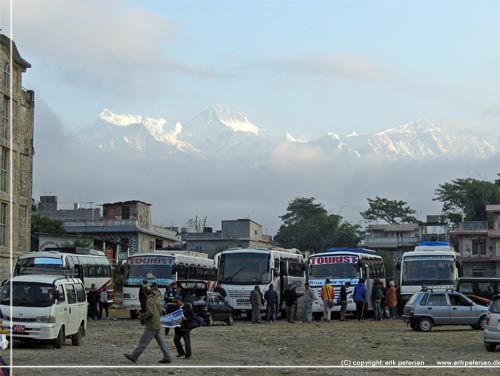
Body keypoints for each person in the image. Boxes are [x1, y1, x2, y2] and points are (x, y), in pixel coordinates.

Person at [124, 287, 172, 364]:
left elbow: (150, 312)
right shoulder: (156, 300)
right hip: (157, 322)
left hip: (152, 324)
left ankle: (134, 356)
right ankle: (167, 357)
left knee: (143, 341)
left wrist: (142, 315)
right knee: (161, 342)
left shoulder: (149, 301)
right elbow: (160, 310)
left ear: (145, 293)